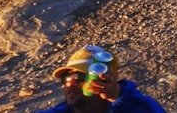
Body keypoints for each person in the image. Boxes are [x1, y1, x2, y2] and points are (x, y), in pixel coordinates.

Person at [37, 46, 165, 113]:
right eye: (66, 78)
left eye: (79, 77)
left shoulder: (137, 106)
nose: (70, 83)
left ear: (105, 80)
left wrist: (120, 99)